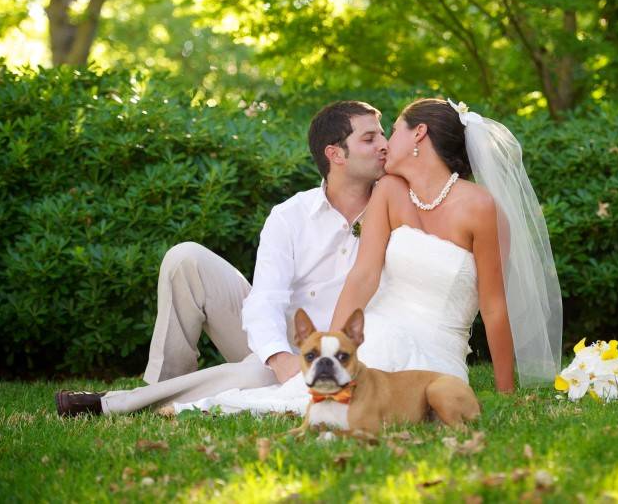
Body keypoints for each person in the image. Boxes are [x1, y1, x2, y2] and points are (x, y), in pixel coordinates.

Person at [172, 98, 563, 416]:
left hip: (439, 345)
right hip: (379, 327)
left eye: (391, 132)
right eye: (374, 136)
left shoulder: (481, 207)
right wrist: (332, 345)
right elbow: (363, 277)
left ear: (419, 135)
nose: (385, 144)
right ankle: (204, 401)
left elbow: (495, 307)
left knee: (379, 381)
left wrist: (506, 391)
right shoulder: (390, 191)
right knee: (353, 367)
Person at [54, 100, 388, 416]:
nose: (384, 145)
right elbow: (266, 298)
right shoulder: (290, 215)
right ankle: (164, 385)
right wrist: (279, 356)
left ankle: (124, 403)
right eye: (370, 138)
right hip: (283, 339)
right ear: (335, 154)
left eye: (383, 134)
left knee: (256, 378)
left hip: (345, 351)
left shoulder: (395, 210)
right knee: (186, 259)